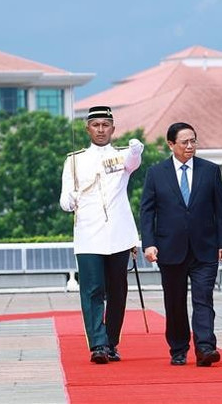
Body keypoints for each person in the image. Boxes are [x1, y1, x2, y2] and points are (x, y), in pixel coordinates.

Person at [140, 122, 222, 367]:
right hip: (170, 248)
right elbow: (147, 212)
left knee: (204, 298)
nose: (190, 146)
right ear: (171, 145)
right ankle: (179, 348)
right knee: (175, 301)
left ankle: (205, 347)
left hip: (205, 247)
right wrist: (148, 243)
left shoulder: (210, 170)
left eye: (194, 141)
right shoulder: (156, 173)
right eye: (185, 142)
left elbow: (220, 210)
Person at [59, 105, 144, 364]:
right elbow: (64, 198)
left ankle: (111, 341)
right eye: (95, 125)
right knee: (92, 290)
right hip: (88, 235)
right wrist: (69, 200)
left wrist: (136, 149)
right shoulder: (74, 160)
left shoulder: (121, 156)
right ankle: (97, 344)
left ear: (113, 129)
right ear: (87, 128)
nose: (100, 130)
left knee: (118, 292)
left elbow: (132, 162)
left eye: (105, 125)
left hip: (118, 234)